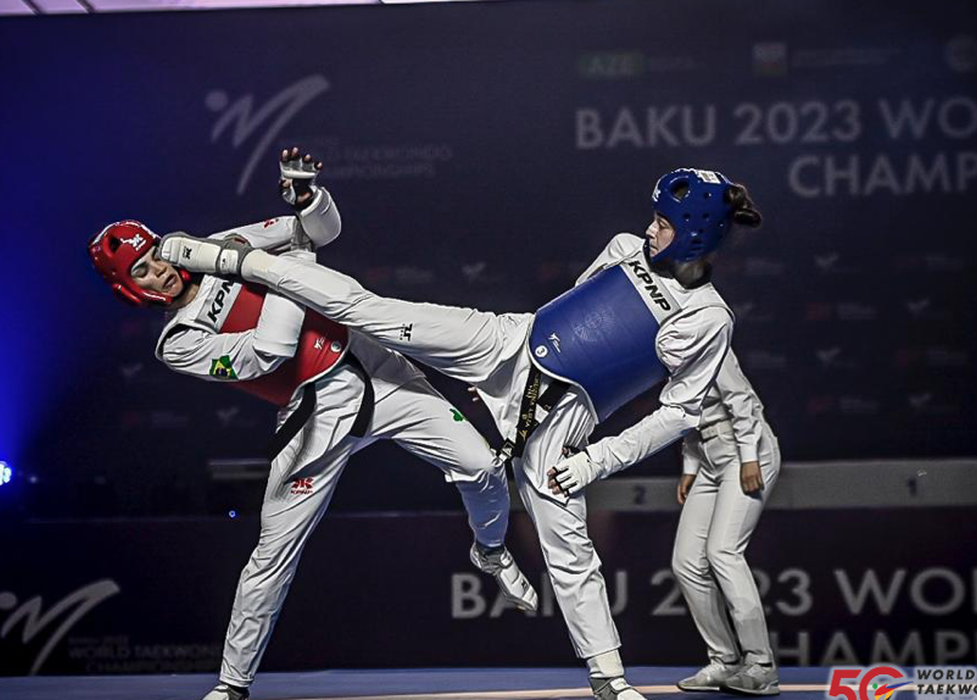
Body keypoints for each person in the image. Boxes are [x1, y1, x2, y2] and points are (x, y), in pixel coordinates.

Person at [159, 168, 763, 700]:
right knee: (370, 309)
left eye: (664, 223)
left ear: (696, 234)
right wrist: (505, 378)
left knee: (569, 552)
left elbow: (679, 413)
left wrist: (594, 461)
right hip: (506, 342)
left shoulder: (708, 318)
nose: (651, 228)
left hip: (561, 425)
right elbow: (572, 311)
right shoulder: (626, 247)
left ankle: (609, 678)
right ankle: (230, 260)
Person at [87, 149, 536, 700]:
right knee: (273, 553)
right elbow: (270, 352)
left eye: (155, 254)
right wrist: (287, 267)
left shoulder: (214, 247)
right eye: (141, 270)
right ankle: (232, 685)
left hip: (377, 366)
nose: (158, 269)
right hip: (314, 414)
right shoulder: (178, 341)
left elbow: (319, 231)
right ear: (129, 289)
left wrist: (308, 201)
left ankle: (489, 551)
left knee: (483, 467)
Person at [671, 349, 781, 695]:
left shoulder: (706, 332)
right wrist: (691, 465)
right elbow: (686, 408)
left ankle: (761, 665)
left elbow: (740, 398)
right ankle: (725, 661)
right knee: (686, 562)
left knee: (723, 552)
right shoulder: (660, 348)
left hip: (745, 449)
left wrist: (749, 457)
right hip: (708, 457)